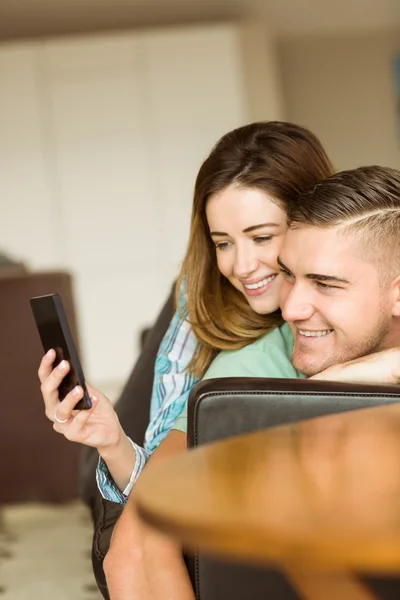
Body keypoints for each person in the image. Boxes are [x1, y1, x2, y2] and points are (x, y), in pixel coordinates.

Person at [104, 155, 400, 600]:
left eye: (324, 283)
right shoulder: (247, 376)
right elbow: (138, 545)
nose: (292, 308)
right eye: (288, 275)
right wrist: (328, 390)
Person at [39, 121, 335, 502]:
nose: (242, 266)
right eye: (223, 243)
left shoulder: (360, 292)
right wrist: (112, 442)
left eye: (261, 237)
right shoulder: (202, 296)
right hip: (150, 470)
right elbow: (161, 484)